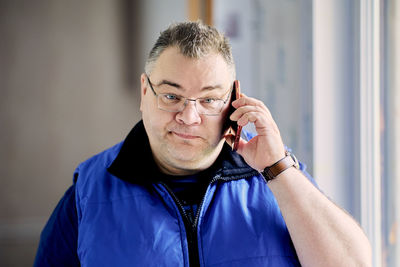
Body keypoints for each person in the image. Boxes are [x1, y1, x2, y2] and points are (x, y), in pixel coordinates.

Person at [34, 21, 371, 267]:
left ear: (235, 99)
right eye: (171, 96)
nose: (189, 116)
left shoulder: (278, 177)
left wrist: (278, 169)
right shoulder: (89, 192)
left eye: (209, 100)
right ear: (144, 92)